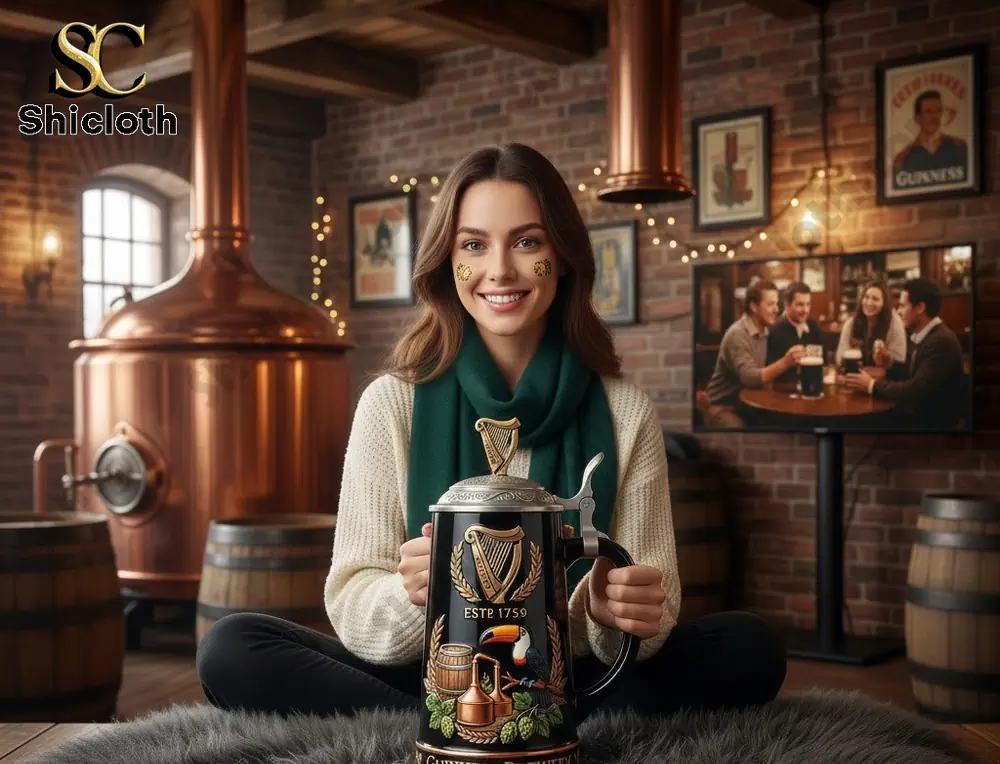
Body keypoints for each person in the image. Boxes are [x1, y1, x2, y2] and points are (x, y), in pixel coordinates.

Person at [196, 143, 786, 722]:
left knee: (749, 645)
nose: (499, 269)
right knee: (233, 647)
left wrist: (608, 613)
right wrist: (415, 597)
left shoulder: (624, 411)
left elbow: (655, 612)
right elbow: (350, 605)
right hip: (429, 670)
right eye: (474, 245)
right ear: (447, 263)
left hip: (576, 675)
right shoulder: (392, 403)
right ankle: (503, 728)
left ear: (562, 256)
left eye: (527, 241)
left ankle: (460, 727)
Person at [842, 276, 967, 428]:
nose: (898, 312)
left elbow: (914, 390)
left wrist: (871, 385)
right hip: (920, 416)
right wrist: (890, 363)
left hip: (932, 427)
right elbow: (914, 373)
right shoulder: (926, 335)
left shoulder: (941, 342)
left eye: (902, 306)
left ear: (920, 307)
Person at [701, 280, 804, 428]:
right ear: (754, 306)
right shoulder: (737, 335)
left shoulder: (766, 330)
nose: (776, 309)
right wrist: (785, 362)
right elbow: (750, 378)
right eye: (770, 304)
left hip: (747, 405)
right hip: (723, 408)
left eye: (776, 304)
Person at [892, 90, 968, 190]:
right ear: (917, 118)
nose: (934, 116)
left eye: (938, 111)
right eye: (928, 111)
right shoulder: (903, 159)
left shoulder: (959, 148)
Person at [834, 278, 907, 368]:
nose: (869, 303)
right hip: (855, 377)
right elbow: (840, 359)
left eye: (875, 299)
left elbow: (899, 361)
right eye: (866, 297)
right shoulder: (851, 323)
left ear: (884, 303)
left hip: (885, 380)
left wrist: (885, 357)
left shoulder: (894, 323)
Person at [767, 282, 825, 383]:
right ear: (787, 305)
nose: (805, 310)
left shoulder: (814, 327)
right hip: (782, 392)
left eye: (808, 304)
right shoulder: (774, 330)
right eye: (800, 305)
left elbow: (824, 363)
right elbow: (771, 374)